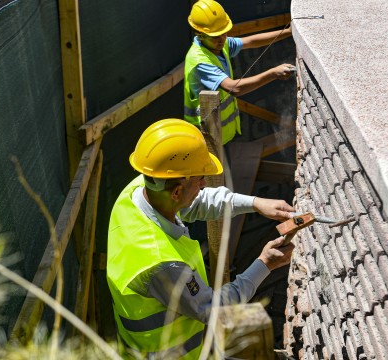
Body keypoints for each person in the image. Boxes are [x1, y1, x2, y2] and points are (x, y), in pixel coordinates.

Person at [106, 119, 295, 359]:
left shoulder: (140, 190)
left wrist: (256, 203)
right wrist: (264, 264)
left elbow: (195, 202)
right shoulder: (162, 263)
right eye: (199, 180)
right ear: (176, 191)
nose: (204, 184)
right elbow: (213, 309)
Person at [184, 0, 295, 145]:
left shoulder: (217, 44)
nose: (222, 39)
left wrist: (287, 32)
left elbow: (250, 41)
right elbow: (234, 88)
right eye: (216, 36)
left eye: (224, 33)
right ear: (200, 34)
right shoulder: (200, 61)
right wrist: (273, 73)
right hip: (204, 135)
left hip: (219, 131)